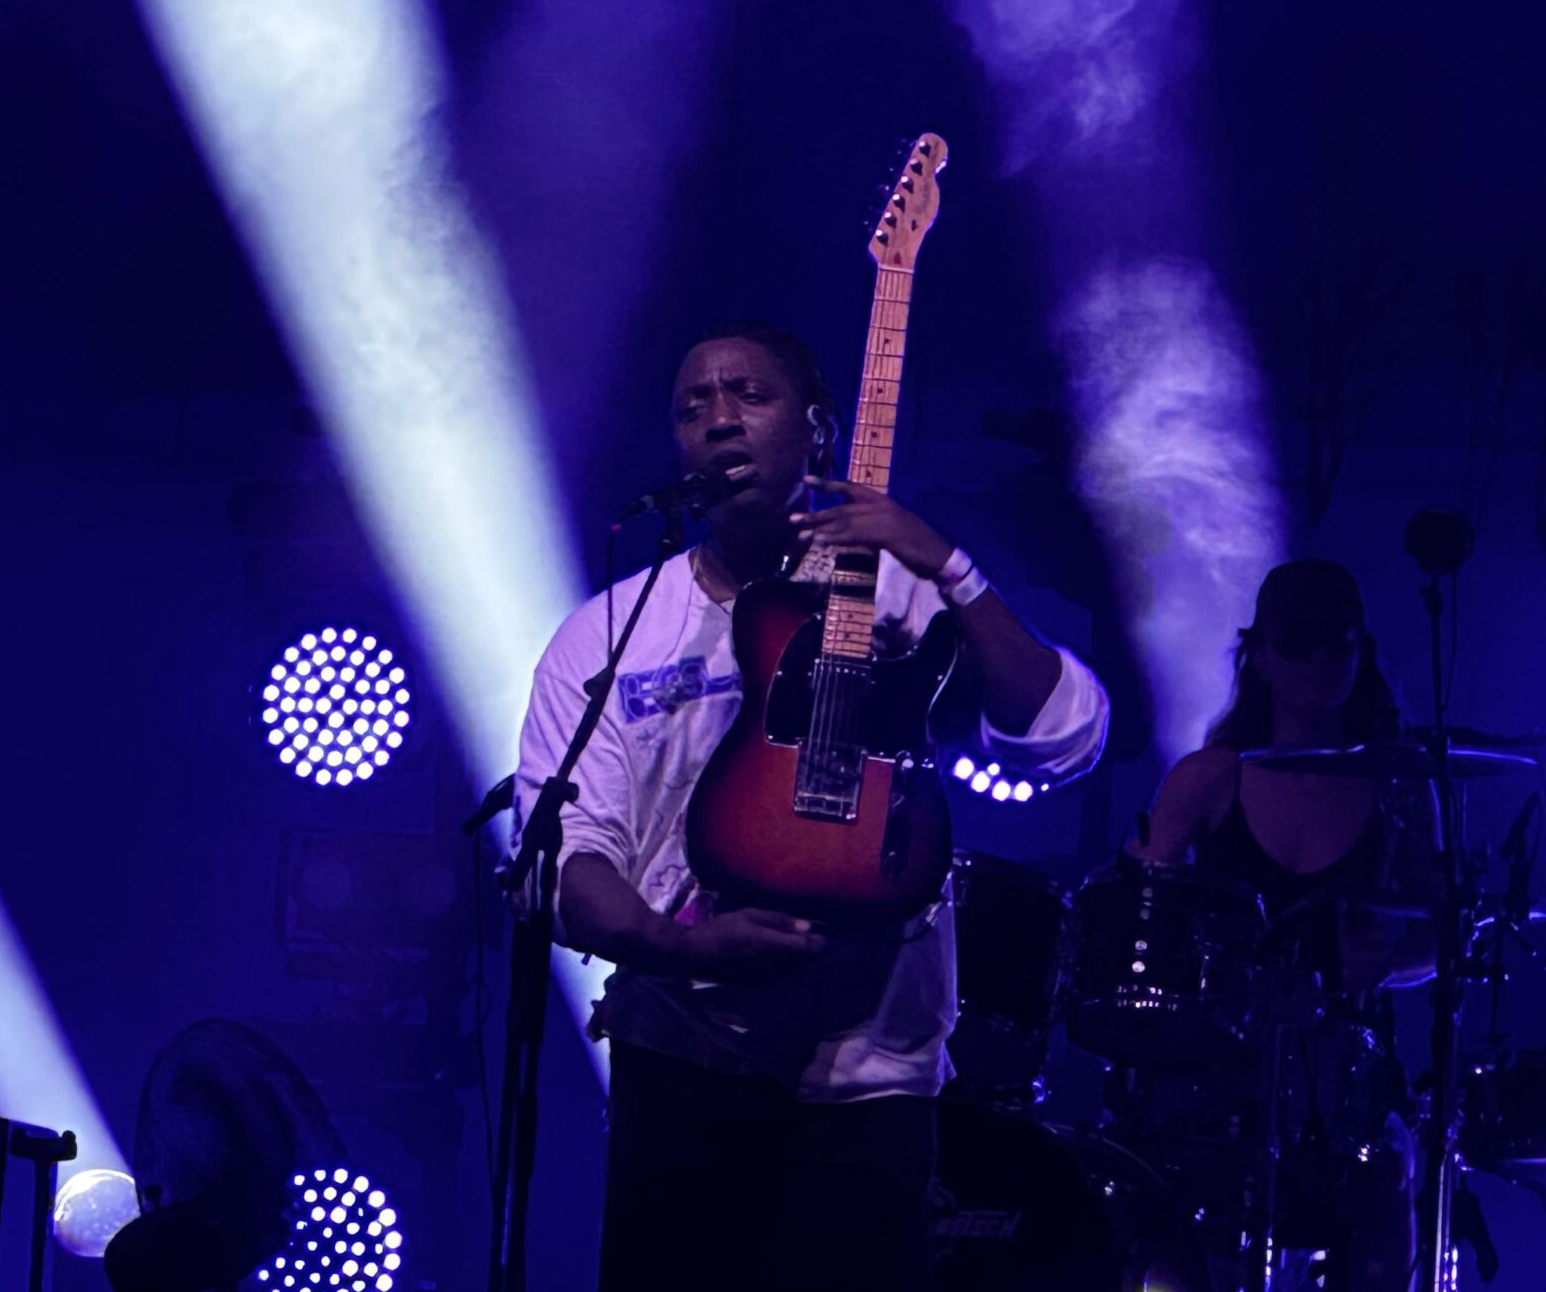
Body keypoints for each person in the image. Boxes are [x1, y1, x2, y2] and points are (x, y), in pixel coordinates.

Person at [514, 321, 1110, 1292]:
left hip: (872, 1074)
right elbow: (565, 857)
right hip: (680, 1056)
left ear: (817, 428)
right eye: (691, 405)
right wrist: (682, 947)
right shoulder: (610, 635)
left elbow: (1059, 738)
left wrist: (948, 565)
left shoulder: (906, 601)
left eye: (748, 394)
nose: (717, 420)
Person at [1130, 558, 1429, 1292]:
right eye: (1302, 642)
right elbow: (1143, 922)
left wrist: (1390, 959)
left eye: (1342, 643)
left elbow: (1436, 938)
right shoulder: (1210, 777)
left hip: (1348, 1085)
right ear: (1260, 654)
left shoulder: (1396, 787)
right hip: (1219, 1068)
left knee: (1388, 1175)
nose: (1324, 661)